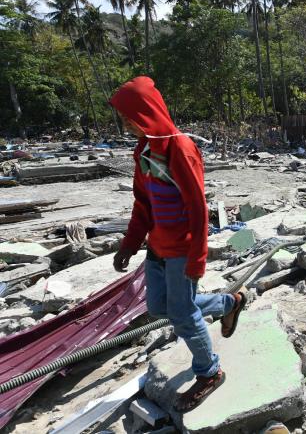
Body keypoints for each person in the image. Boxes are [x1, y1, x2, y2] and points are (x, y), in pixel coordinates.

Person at [110, 76, 246, 412]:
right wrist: (130, 244)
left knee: (183, 313)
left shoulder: (181, 148)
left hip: (183, 248)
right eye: (124, 119)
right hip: (157, 247)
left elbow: (199, 208)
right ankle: (229, 303)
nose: (127, 124)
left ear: (147, 112)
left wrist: (197, 258)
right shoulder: (142, 152)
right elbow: (142, 203)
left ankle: (209, 372)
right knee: (159, 308)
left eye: (130, 117)